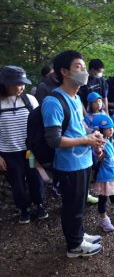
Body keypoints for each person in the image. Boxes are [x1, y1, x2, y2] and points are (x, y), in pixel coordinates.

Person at [42, 50, 104, 258]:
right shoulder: (53, 101)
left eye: (85, 67)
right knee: (71, 207)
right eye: (79, 66)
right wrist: (86, 140)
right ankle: (74, 246)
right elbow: (54, 140)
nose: (84, 71)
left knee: (79, 204)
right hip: (68, 165)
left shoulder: (76, 98)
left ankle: (78, 235)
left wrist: (92, 136)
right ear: (64, 71)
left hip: (83, 160)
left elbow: (78, 128)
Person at [0, 66, 47, 224]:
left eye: (23, 83)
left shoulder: (29, 100)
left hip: (30, 152)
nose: (21, 87)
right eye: (17, 84)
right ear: (6, 83)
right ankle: (24, 208)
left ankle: (39, 204)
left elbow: (39, 125)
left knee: (35, 177)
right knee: (17, 181)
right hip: (9, 154)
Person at [91, 114, 114, 232]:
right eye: (109, 128)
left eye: (112, 128)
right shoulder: (99, 144)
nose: (112, 130)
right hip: (103, 178)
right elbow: (100, 158)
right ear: (100, 130)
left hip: (112, 175)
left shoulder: (110, 141)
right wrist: (99, 150)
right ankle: (104, 220)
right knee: (102, 199)